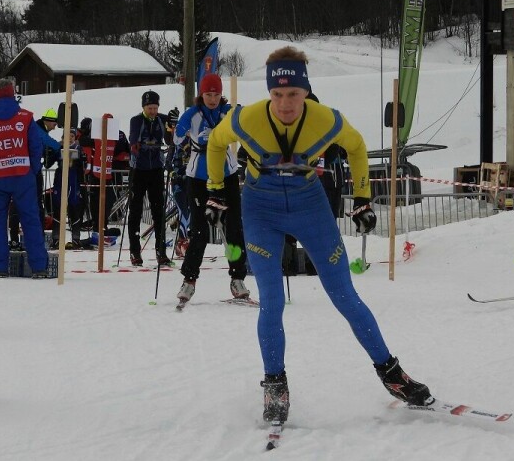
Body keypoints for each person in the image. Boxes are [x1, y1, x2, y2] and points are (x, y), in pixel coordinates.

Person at [205, 46, 432, 424]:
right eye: (277, 95)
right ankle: (275, 384)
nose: (285, 104)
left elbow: (357, 147)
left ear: (306, 91)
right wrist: (215, 190)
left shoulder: (327, 120)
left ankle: (392, 374)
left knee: (345, 296)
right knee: (272, 301)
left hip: (310, 208)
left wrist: (362, 199)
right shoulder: (247, 119)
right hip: (261, 210)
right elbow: (215, 142)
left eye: (293, 94)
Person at [172, 73, 249, 304]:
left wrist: (243, 116)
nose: (212, 99)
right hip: (199, 177)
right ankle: (189, 280)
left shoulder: (227, 111)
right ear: (201, 95)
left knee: (233, 227)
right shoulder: (193, 114)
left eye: (216, 94)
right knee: (200, 231)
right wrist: (179, 128)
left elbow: (245, 126)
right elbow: (176, 140)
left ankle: (237, 278)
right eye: (208, 94)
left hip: (226, 174)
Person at [0, 77, 49, 278]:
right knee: (30, 220)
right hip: (22, 176)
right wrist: (33, 169)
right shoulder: (25, 117)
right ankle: (39, 267)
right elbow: (36, 146)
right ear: (13, 93)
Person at [126, 90, 175, 266]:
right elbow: (133, 140)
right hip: (138, 169)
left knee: (158, 211)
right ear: (144, 107)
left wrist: (172, 124)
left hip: (155, 169)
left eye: (155, 107)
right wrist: (138, 145)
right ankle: (135, 251)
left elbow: (171, 140)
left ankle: (161, 251)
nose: (153, 111)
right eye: (149, 108)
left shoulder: (162, 119)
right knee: (136, 211)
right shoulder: (137, 120)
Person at [9, 108, 61, 248]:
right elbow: (49, 142)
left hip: (19, 170)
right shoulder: (36, 129)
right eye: (54, 123)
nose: (55, 126)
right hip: (30, 172)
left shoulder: (29, 130)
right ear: (48, 121)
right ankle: (37, 237)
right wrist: (61, 146)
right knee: (36, 204)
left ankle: (15, 238)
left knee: (18, 203)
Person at [49, 128, 87, 249]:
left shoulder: (79, 148)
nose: (69, 138)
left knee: (74, 208)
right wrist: (52, 151)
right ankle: (56, 239)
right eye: (67, 136)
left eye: (72, 136)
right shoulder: (58, 147)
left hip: (73, 180)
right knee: (58, 208)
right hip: (60, 179)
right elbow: (48, 163)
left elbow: (83, 165)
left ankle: (76, 238)